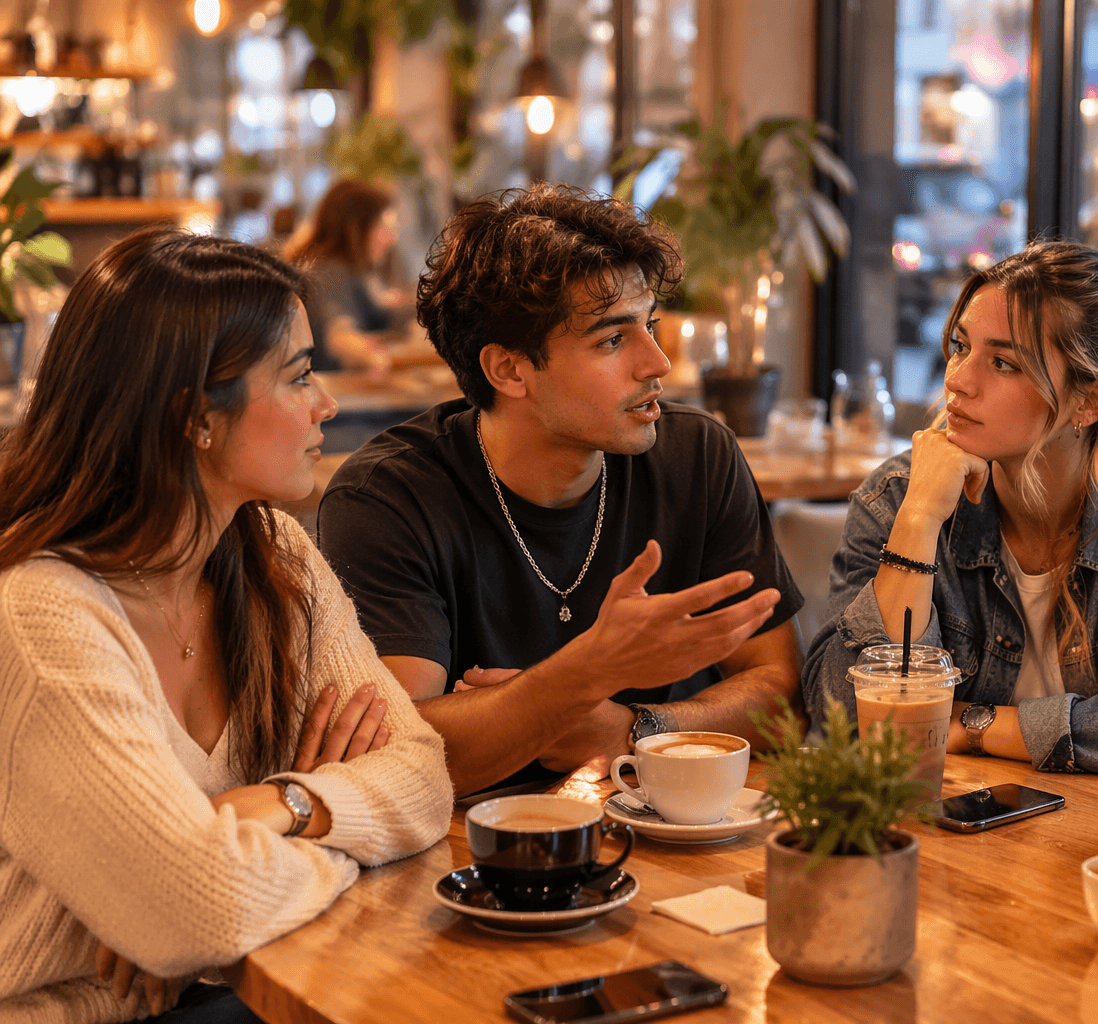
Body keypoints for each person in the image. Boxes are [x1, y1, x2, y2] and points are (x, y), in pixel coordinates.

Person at [0, 228, 453, 1023]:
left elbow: (421, 775)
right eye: (300, 375)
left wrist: (283, 807)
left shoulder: (270, 554)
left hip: (237, 997)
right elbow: (199, 911)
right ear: (196, 418)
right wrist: (323, 835)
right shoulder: (41, 619)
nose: (329, 404)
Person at [317, 184, 803, 797]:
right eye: (611, 339)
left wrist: (634, 731)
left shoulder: (696, 456)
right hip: (470, 853)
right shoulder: (386, 498)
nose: (658, 363)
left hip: (672, 827)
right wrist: (581, 678)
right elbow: (403, 750)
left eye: (649, 325)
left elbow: (779, 698)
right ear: (509, 369)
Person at [803, 242, 1098, 776]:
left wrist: (973, 726)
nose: (957, 380)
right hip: (948, 830)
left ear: (1090, 402)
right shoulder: (901, 495)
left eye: (1002, 363)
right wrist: (919, 523)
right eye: (959, 347)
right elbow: (846, 717)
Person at [285, 179, 403, 374]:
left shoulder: (342, 269)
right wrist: (373, 356)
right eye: (381, 225)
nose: (392, 237)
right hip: (338, 396)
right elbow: (338, 337)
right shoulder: (332, 270)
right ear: (356, 229)